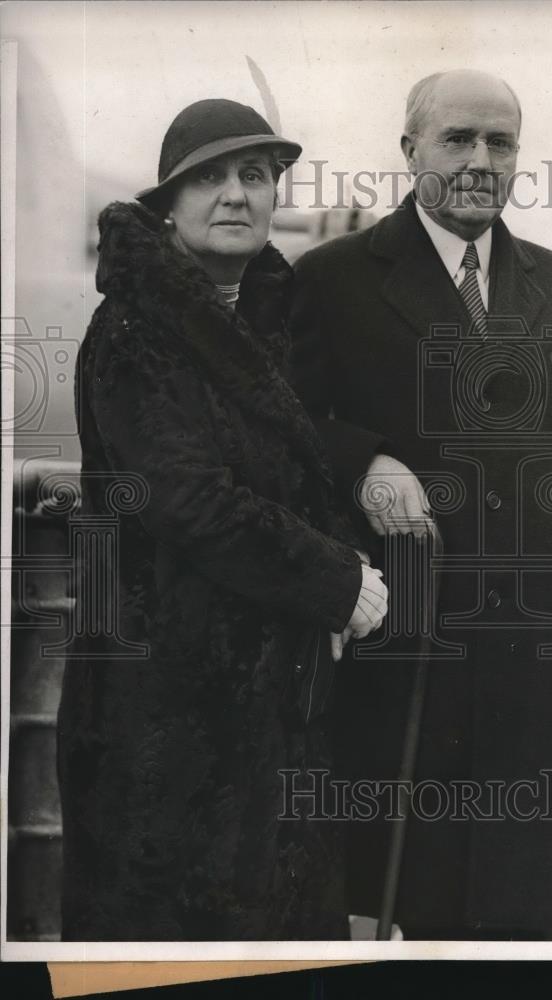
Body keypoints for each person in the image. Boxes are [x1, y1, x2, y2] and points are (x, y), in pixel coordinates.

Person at [290, 70, 552, 940]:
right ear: (409, 150)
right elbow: (285, 424)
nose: (479, 160)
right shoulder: (331, 279)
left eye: (500, 143)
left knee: (520, 915)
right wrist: (364, 462)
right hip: (405, 651)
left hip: (538, 660)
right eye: (458, 138)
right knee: (401, 902)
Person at [56, 99, 388, 941]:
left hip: (267, 712)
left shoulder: (267, 324)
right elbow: (187, 497)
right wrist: (338, 580)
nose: (236, 194)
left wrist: (375, 464)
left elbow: (298, 457)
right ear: (168, 205)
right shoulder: (137, 330)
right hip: (163, 713)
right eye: (208, 177)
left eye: (255, 175)